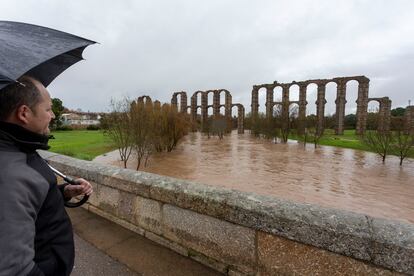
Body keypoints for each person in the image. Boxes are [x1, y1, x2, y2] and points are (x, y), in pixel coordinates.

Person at [0, 76, 93, 276]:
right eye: (48, 109)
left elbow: (29, 202)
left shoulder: (18, 147)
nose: (52, 115)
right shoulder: (12, 174)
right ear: (24, 113)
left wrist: (64, 192)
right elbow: (15, 269)